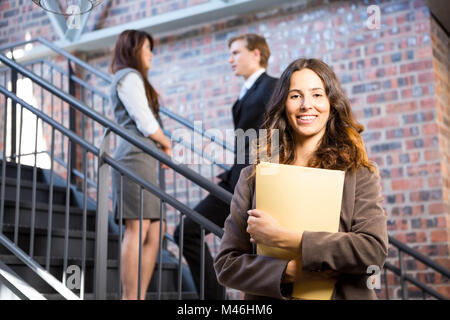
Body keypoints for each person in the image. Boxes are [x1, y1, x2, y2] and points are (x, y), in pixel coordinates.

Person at [214, 58, 389, 300]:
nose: (307, 105)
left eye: (317, 95)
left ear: (331, 103)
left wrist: (285, 238)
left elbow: (373, 251)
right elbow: (226, 264)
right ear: (284, 105)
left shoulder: (358, 174)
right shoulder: (253, 176)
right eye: (295, 96)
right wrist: (285, 273)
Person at [174, 34, 278, 299]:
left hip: (256, 185)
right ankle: (214, 298)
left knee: (254, 254)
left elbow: (275, 138)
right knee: (187, 231)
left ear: (256, 54)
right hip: (236, 182)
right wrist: (233, 171)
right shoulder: (245, 94)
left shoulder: (273, 87)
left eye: (235, 53)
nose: (229, 59)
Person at [110, 29, 172, 300]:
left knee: (155, 232)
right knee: (139, 228)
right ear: (133, 50)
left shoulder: (138, 80)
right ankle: (129, 297)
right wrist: (166, 144)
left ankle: (140, 296)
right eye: (147, 48)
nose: (151, 54)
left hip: (147, 159)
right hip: (134, 157)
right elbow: (145, 121)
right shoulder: (128, 77)